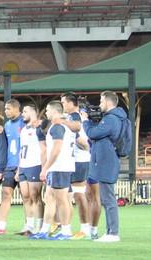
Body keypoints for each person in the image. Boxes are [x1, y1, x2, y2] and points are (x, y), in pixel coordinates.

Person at [83, 90, 125, 243]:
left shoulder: (112, 119)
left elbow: (93, 134)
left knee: (108, 199)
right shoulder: (112, 118)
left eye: (101, 101)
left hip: (107, 161)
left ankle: (113, 233)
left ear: (108, 102)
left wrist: (85, 122)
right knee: (106, 198)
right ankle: (110, 232)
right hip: (105, 160)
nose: (100, 105)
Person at [30, 101, 76, 240]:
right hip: (61, 167)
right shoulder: (62, 125)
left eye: (48, 110)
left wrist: (45, 168)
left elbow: (57, 148)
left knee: (62, 200)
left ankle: (66, 231)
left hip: (60, 167)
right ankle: (44, 230)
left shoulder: (57, 126)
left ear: (55, 111)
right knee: (49, 198)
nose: (46, 113)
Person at [61, 92, 93, 240]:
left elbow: (81, 140)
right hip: (73, 160)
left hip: (79, 160)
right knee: (68, 195)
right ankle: (65, 227)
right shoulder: (71, 117)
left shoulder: (75, 117)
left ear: (70, 103)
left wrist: (84, 146)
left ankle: (85, 228)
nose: (62, 105)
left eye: (63, 103)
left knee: (79, 195)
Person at [0, 99, 23, 235]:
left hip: (24, 165)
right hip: (10, 166)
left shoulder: (25, 123)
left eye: (8, 109)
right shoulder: (7, 125)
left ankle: (30, 225)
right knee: (6, 194)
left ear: (16, 109)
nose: (6, 111)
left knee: (28, 196)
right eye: (5, 109)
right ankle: (1, 226)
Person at [16, 105, 46, 236]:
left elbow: (44, 147)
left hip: (35, 165)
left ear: (34, 113)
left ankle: (39, 226)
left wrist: (44, 167)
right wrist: (18, 169)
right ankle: (28, 225)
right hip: (23, 166)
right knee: (26, 197)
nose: (22, 114)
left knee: (36, 197)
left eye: (25, 111)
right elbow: (21, 150)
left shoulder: (39, 127)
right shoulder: (23, 130)